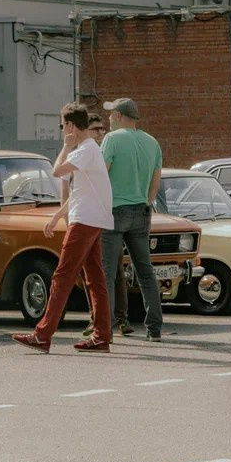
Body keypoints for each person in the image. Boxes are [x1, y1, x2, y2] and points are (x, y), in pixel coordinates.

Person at [12, 104, 114, 353]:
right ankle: (101, 335)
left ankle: (42, 334)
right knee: (95, 279)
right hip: (92, 219)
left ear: (69, 126)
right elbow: (80, 193)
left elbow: (56, 171)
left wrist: (67, 146)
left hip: (85, 221)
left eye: (62, 125)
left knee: (62, 277)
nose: (61, 131)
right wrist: (57, 216)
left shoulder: (83, 150)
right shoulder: (90, 150)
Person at [99, 98, 165, 342]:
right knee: (145, 271)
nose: (107, 119)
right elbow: (155, 182)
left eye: (110, 114)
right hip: (141, 210)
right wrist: (145, 201)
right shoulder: (152, 142)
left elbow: (102, 173)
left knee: (107, 273)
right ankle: (154, 328)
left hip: (115, 210)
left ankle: (104, 329)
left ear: (118, 115)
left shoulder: (112, 139)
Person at [81, 114, 133, 337]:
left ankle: (118, 318)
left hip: (106, 217)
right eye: (95, 130)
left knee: (113, 270)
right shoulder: (86, 153)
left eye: (102, 129)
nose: (100, 134)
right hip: (91, 216)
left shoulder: (105, 152)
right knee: (92, 271)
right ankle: (97, 317)